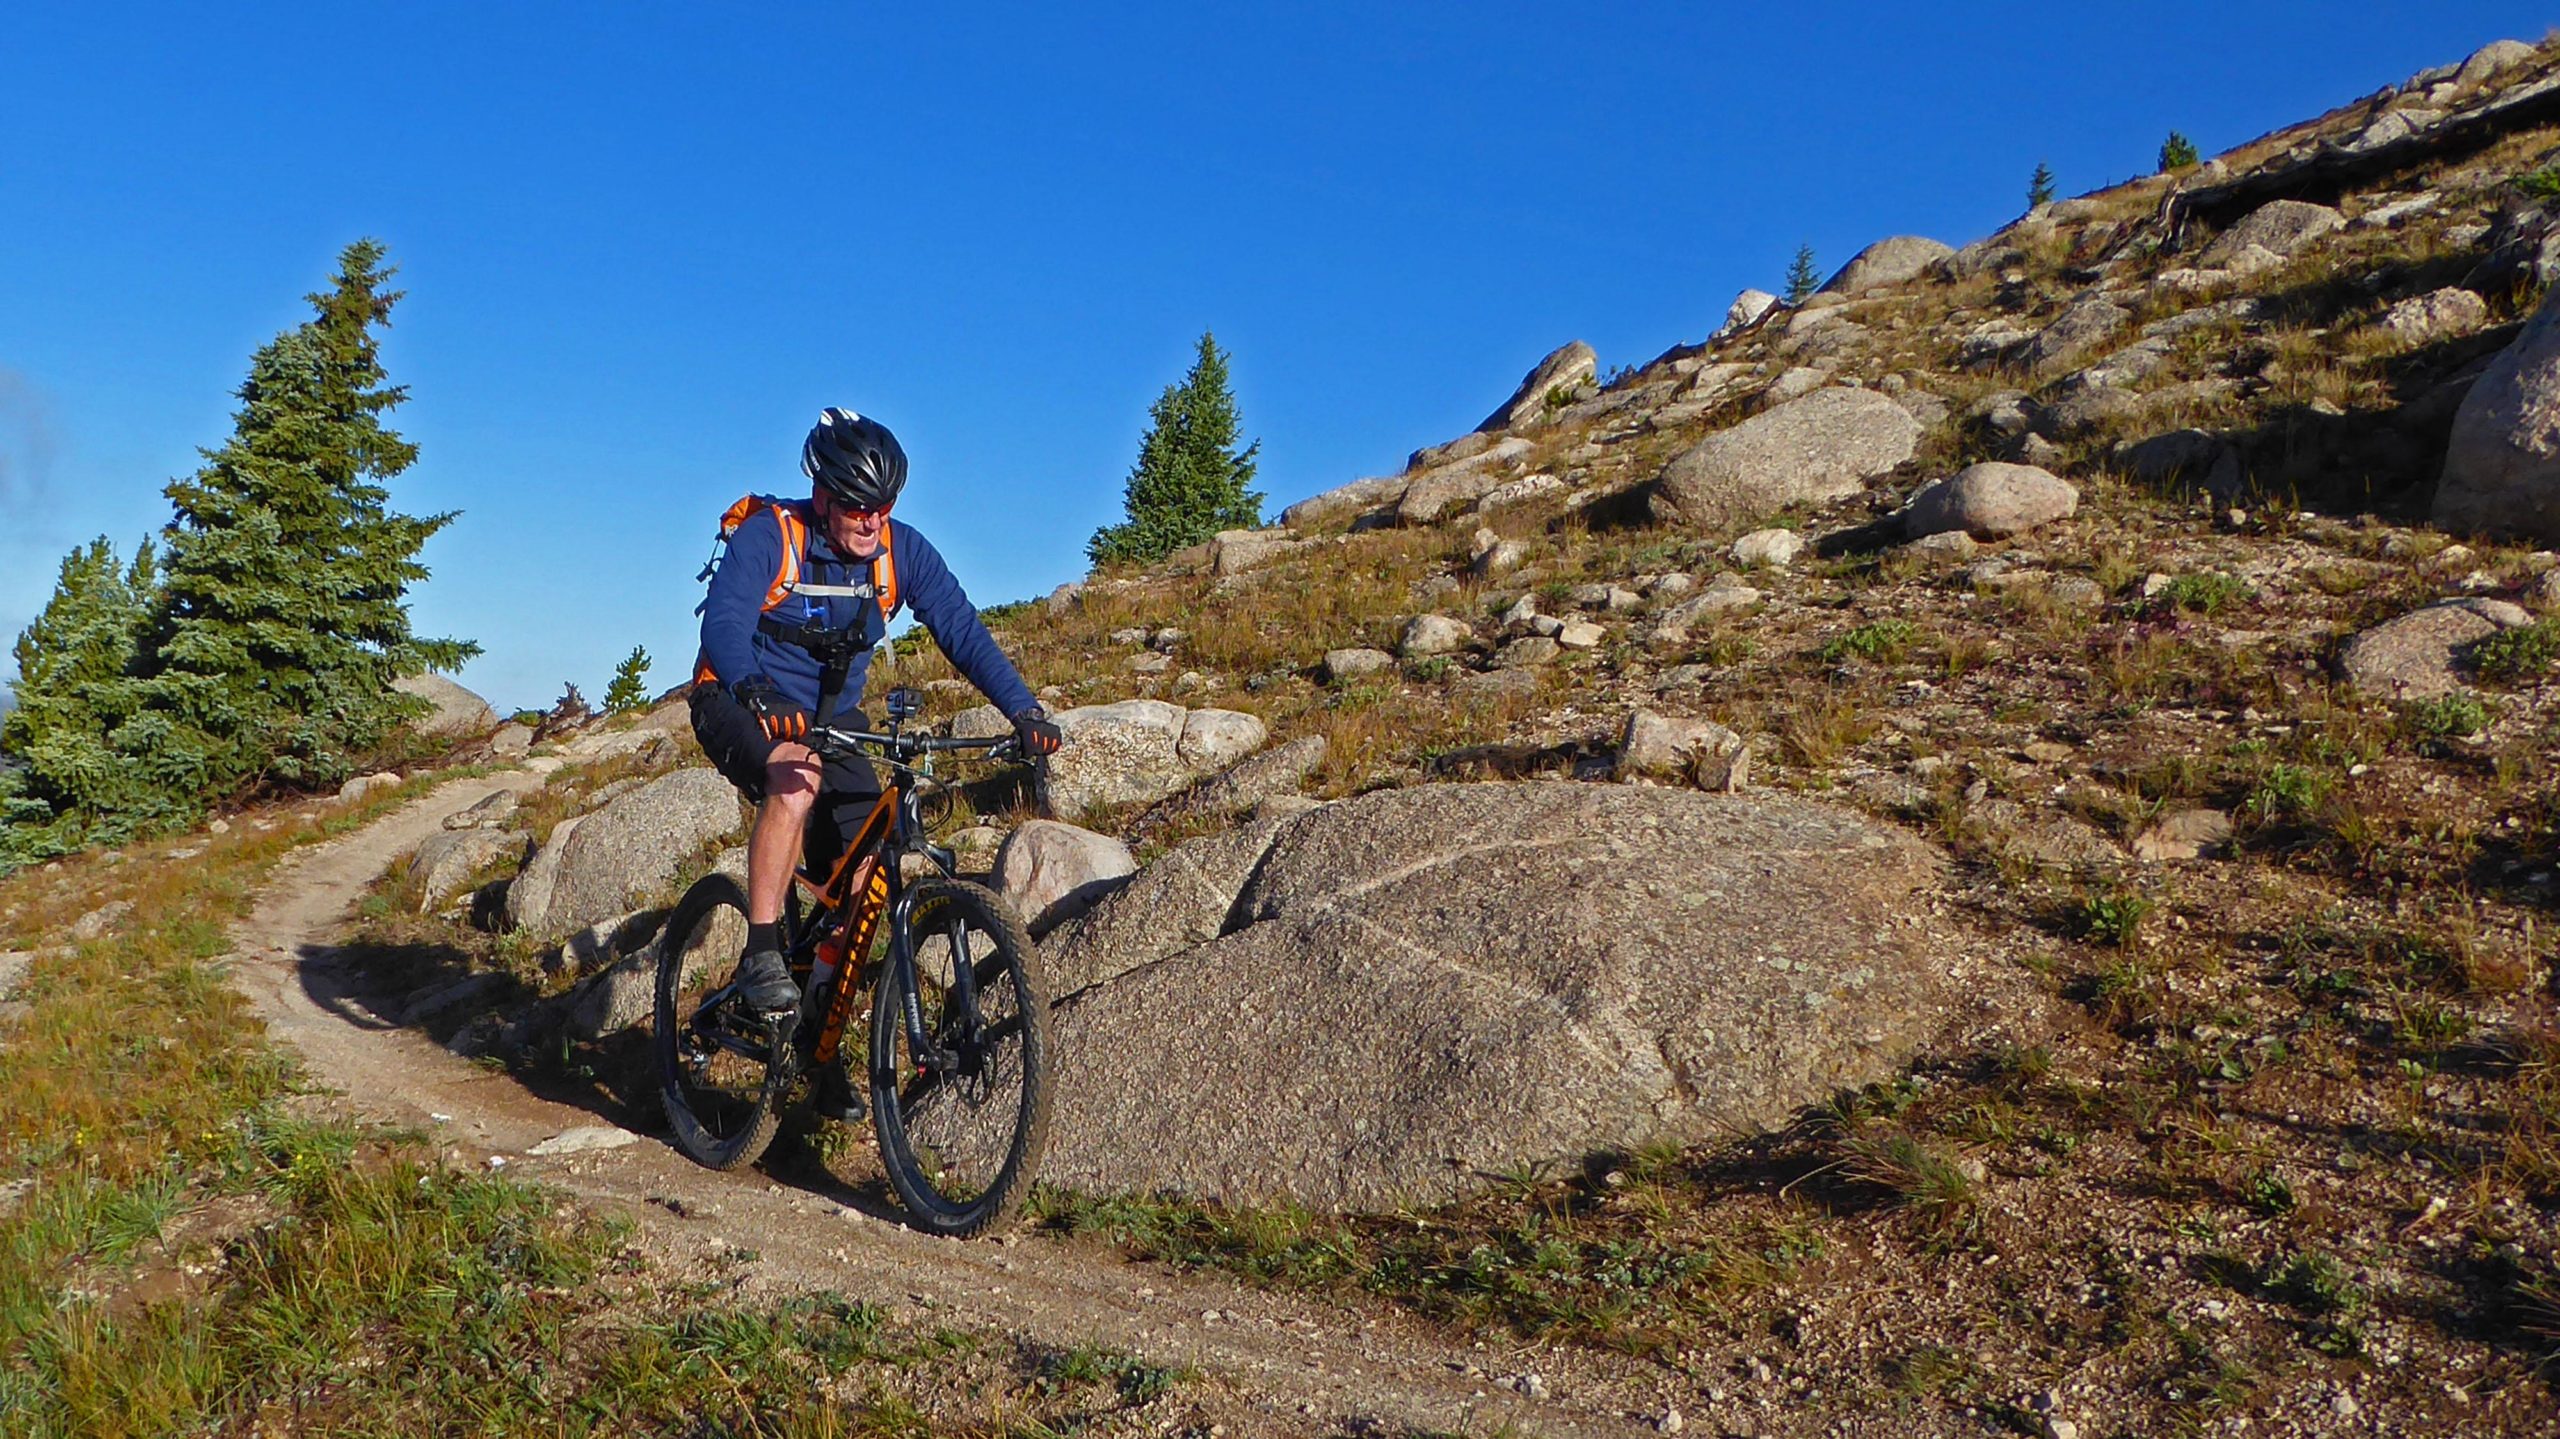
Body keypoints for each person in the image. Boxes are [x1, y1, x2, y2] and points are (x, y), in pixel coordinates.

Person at [692, 408, 1061, 1030]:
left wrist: (1023, 707)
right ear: (823, 495)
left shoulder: (899, 550)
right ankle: (760, 952)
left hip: (833, 720)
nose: (874, 521)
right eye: (860, 507)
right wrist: (756, 688)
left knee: (870, 875)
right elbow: (724, 624)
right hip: (738, 699)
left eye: (884, 506)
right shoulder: (772, 536)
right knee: (797, 777)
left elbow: (961, 629)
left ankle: (820, 1035)